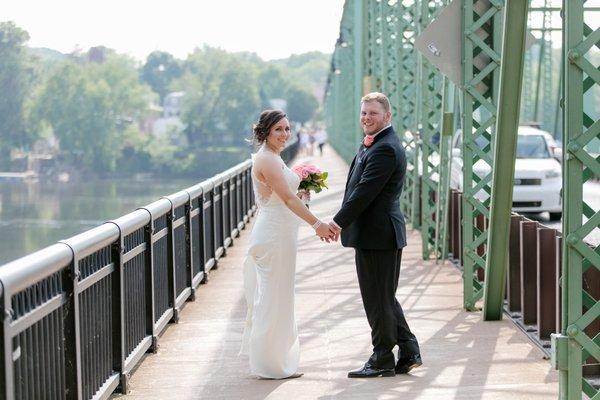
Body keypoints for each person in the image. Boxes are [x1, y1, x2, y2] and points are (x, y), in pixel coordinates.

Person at [328, 92, 421, 378]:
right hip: (375, 233)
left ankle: (382, 358)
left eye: (373, 113)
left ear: (387, 116)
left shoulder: (385, 148)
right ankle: (408, 349)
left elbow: (364, 192)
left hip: (378, 234)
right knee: (384, 296)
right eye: (364, 113)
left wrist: (336, 223)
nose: (367, 118)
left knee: (377, 299)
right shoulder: (376, 143)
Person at [240, 110, 337, 379]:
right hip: (274, 235)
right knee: (274, 298)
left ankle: (275, 359)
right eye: (278, 130)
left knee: (279, 296)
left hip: (279, 233)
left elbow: (288, 196)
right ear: (265, 133)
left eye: (287, 129)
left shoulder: (272, 157)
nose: (285, 134)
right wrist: (318, 224)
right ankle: (270, 364)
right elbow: (287, 200)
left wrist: (302, 192)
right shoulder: (267, 160)